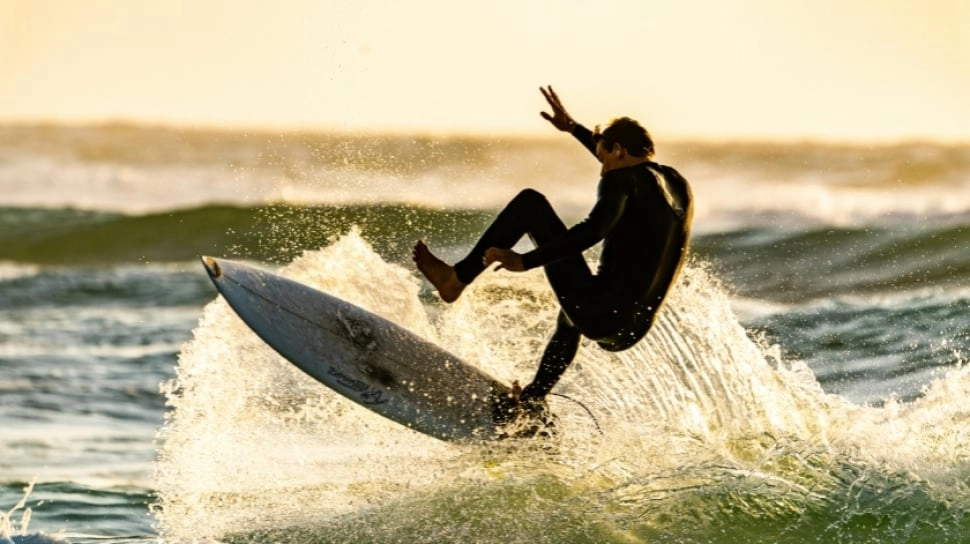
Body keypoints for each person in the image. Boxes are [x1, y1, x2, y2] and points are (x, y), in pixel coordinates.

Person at [413, 86, 693, 429]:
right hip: (631, 328)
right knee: (570, 316)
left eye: (604, 159)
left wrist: (525, 261)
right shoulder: (676, 184)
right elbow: (628, 172)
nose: (602, 170)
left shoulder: (620, 179)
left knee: (531, 203)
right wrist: (573, 127)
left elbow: (593, 230)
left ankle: (454, 279)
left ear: (618, 150)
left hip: (600, 312)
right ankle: (532, 401)